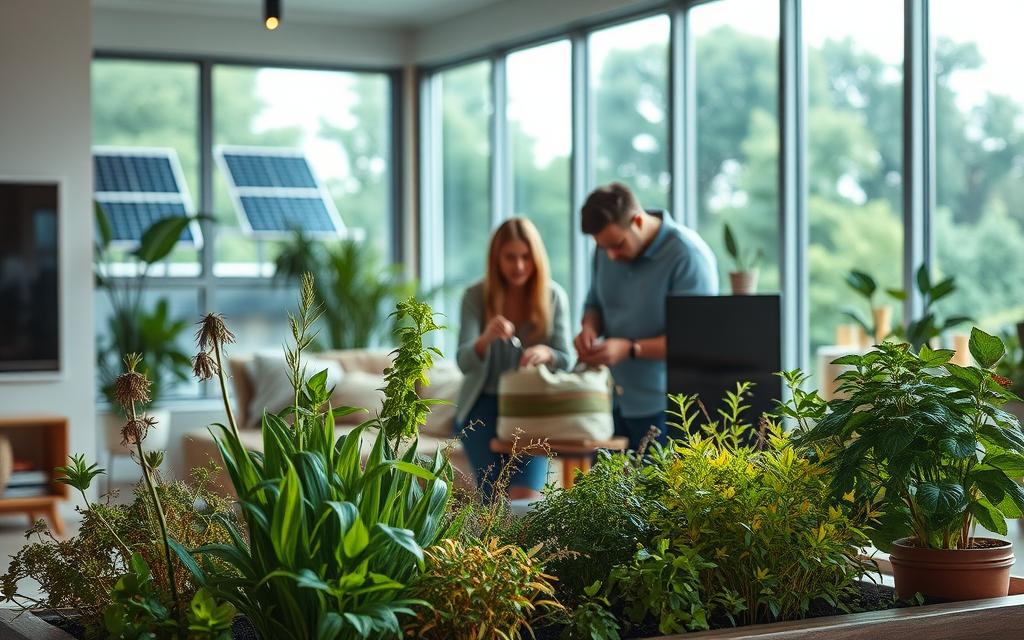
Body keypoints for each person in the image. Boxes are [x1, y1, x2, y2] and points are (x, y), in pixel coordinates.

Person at [574, 182, 718, 449]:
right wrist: (589, 329)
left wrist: (630, 349)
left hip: (666, 409)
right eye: (604, 248)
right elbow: (593, 303)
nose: (611, 256)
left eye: (617, 245)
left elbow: (694, 341)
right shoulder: (605, 249)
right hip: (608, 402)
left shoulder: (688, 256)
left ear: (638, 221)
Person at [455, 217, 572, 500]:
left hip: (531, 408)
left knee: (524, 496)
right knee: (493, 500)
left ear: (536, 258)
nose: (519, 266)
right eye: (510, 257)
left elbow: (566, 358)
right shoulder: (475, 296)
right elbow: (463, 361)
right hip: (481, 408)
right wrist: (485, 340)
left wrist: (548, 354)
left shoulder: (553, 296)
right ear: (496, 259)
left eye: (525, 257)